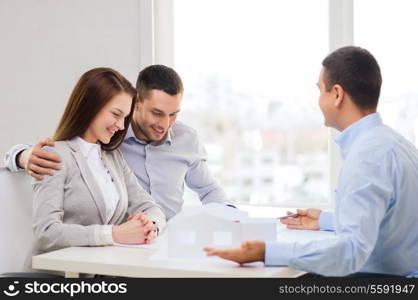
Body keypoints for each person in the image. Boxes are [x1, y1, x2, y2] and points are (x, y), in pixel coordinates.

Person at [204, 46, 418, 277]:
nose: (319, 101)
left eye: (320, 91)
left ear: (337, 94)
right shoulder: (395, 144)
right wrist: (324, 219)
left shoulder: (367, 157)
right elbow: (385, 222)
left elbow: (350, 252)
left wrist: (267, 252)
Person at [4, 65, 230, 220]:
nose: (165, 124)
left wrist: (231, 218)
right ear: (137, 102)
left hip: (168, 244)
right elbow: (62, 145)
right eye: (157, 113)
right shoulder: (110, 135)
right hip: (121, 247)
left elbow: (209, 189)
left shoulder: (186, 138)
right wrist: (23, 156)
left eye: (173, 114)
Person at [23, 67, 166, 273]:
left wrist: (148, 226)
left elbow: (150, 207)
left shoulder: (112, 157)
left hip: (96, 275)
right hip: (55, 278)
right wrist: (114, 234)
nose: (120, 125)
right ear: (91, 106)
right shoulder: (54, 154)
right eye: (116, 114)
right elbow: (46, 232)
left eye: (125, 117)